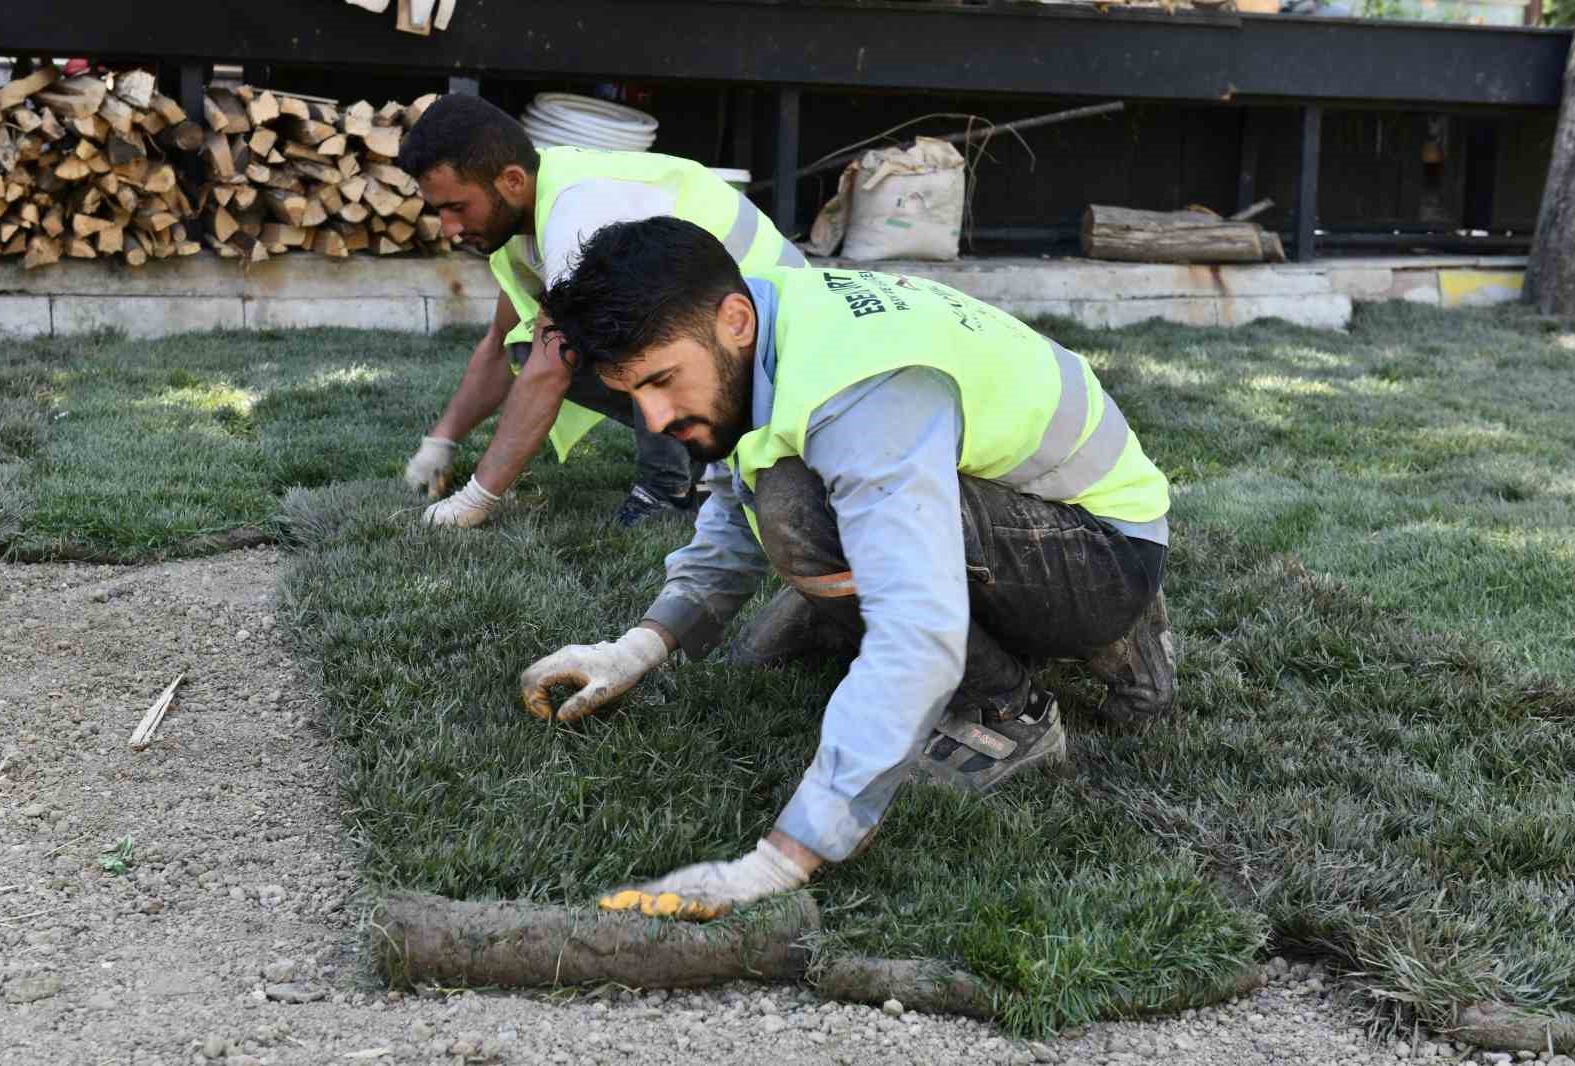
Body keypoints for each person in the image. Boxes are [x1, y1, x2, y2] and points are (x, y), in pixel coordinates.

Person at [520, 217, 1175, 920]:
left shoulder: (860, 389)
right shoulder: (753, 317)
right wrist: (639, 646)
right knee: (765, 649)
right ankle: (1075, 627)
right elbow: (732, 490)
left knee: (799, 515)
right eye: (633, 392)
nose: (652, 420)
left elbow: (915, 631)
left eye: (661, 382)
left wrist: (784, 855)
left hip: (1100, 550)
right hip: (1022, 513)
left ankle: (1011, 709)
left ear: (733, 321)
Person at [395, 93, 804, 528]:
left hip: (776, 348)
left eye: (457, 207)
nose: (449, 228)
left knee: (614, 334)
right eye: (439, 210)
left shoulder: (579, 211)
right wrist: (441, 441)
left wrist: (475, 500)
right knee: (531, 345)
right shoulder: (523, 216)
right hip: (724, 339)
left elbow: (550, 367)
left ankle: (668, 488)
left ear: (511, 180)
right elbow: (501, 342)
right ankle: (703, 459)